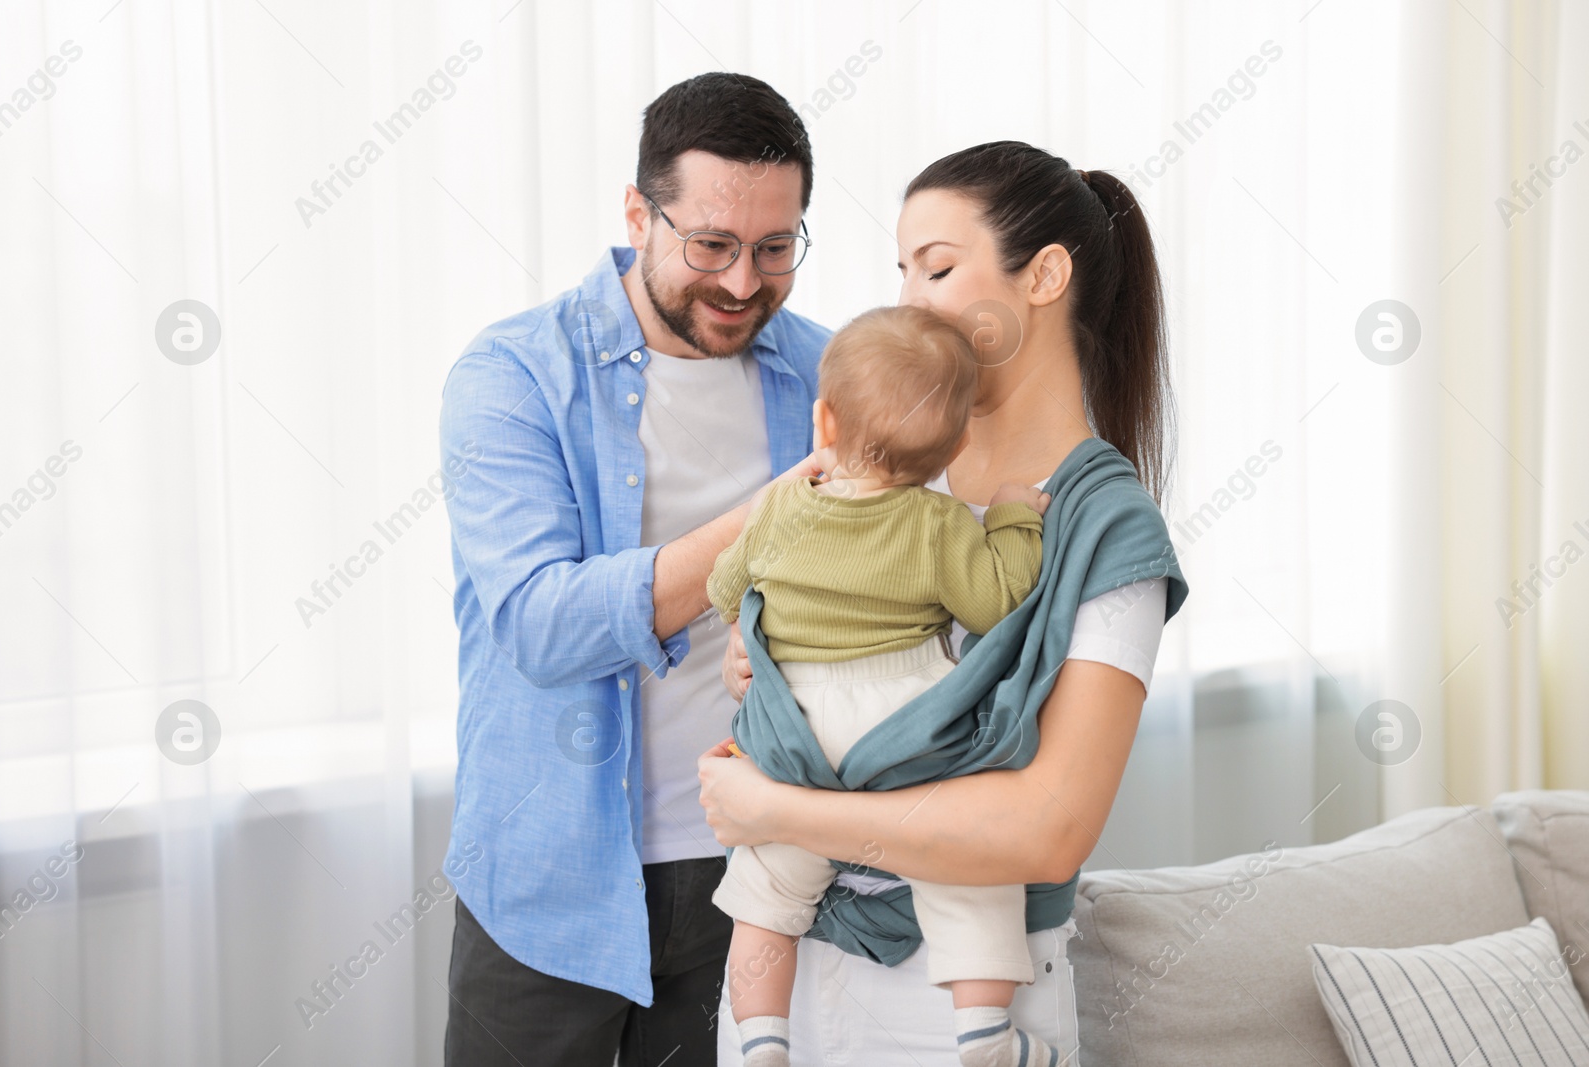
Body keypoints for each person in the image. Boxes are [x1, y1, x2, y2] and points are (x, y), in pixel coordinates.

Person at [700, 142, 1187, 1066]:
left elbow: (1049, 830)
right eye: (901, 274)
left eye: (939, 269)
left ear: (1044, 276)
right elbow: (770, 604)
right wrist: (754, 650)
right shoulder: (859, 472)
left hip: (971, 1004)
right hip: (788, 985)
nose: (907, 303)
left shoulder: (1106, 528)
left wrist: (774, 809)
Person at [436, 72, 832, 1066]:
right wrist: (774, 516)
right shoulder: (513, 374)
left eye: (775, 248)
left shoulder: (831, 375)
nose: (743, 282)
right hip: (547, 881)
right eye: (711, 245)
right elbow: (540, 623)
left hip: (754, 870)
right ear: (636, 214)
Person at [704, 304, 1056, 1066]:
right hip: (904, 724)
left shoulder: (780, 506)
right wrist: (1010, 517)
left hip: (792, 731)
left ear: (823, 419)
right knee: (964, 870)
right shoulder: (936, 524)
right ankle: (987, 1034)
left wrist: (751, 626)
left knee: (766, 893)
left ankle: (763, 1041)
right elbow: (998, 602)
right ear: (958, 442)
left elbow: (725, 584)